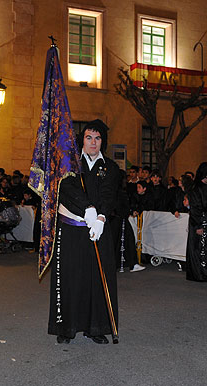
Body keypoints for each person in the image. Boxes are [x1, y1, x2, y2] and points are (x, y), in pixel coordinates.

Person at [49, 119, 119, 345]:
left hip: (98, 230)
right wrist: (87, 209)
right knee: (70, 278)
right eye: (89, 137)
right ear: (82, 140)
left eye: (98, 138)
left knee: (97, 279)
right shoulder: (69, 165)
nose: (93, 143)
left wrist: (100, 217)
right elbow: (68, 190)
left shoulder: (111, 167)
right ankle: (66, 327)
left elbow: (109, 195)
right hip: (71, 230)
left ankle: (95, 327)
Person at [185, 162, 207, 285]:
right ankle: (203, 274)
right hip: (200, 220)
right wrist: (198, 225)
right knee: (200, 248)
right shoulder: (196, 188)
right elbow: (195, 207)